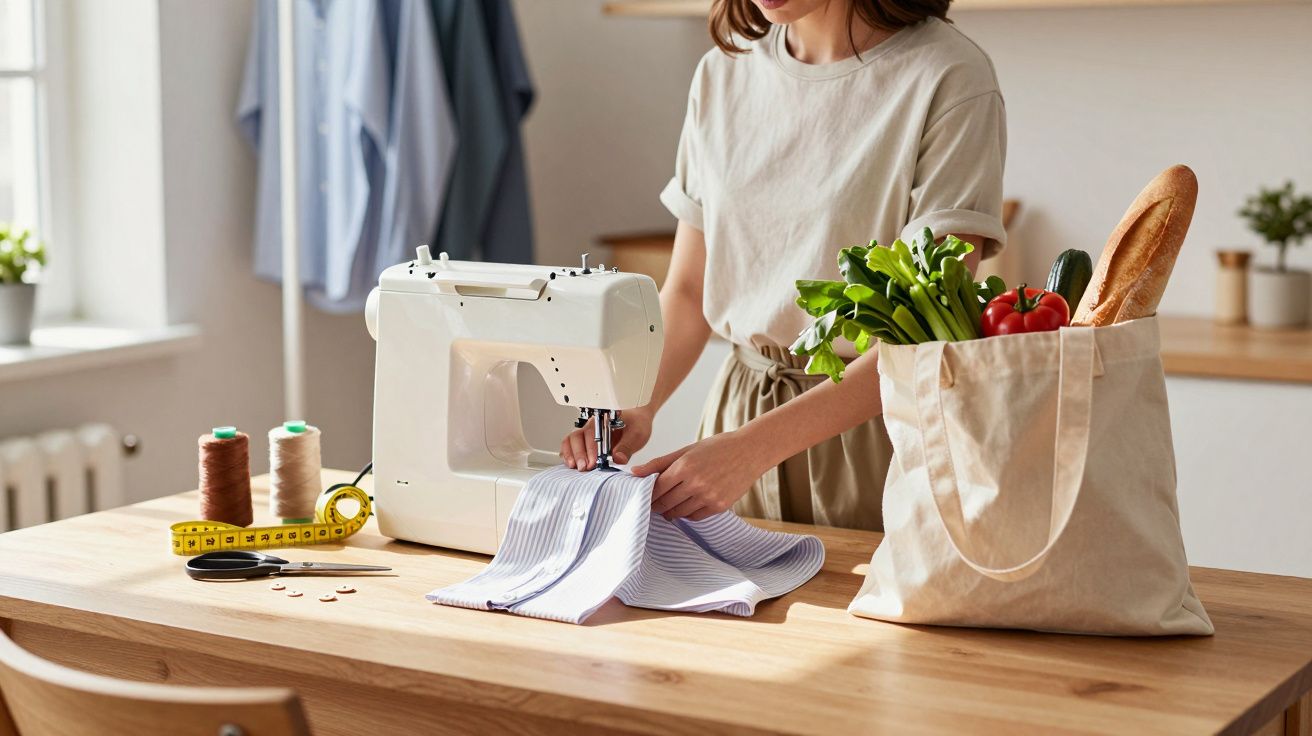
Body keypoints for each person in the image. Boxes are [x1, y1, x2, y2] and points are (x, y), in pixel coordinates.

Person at [559, 0, 1006, 531]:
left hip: (873, 435)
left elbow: (923, 335)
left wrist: (752, 449)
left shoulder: (948, 75)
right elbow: (688, 289)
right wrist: (637, 403)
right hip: (734, 419)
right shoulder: (722, 73)